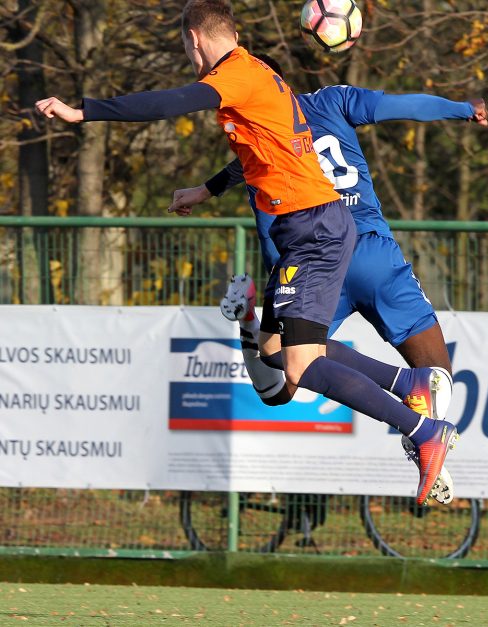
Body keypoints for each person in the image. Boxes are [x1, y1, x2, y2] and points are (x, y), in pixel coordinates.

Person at [36, 0, 459, 506]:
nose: (188, 56)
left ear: (195, 38)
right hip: (310, 226)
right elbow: (261, 150)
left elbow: (172, 101)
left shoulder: (235, 75)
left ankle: (422, 430)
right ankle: (406, 379)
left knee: (300, 368)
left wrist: (85, 110)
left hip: (313, 230)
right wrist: (206, 190)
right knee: (277, 353)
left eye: (185, 46)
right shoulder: (262, 75)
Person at [168, 53, 488, 505]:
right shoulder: (333, 100)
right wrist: (461, 107)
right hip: (372, 252)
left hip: (319, 263)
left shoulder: (261, 143)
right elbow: (404, 106)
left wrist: (208, 191)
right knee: (436, 371)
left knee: (279, 367)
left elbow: (269, 229)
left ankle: (421, 434)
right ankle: (423, 436)